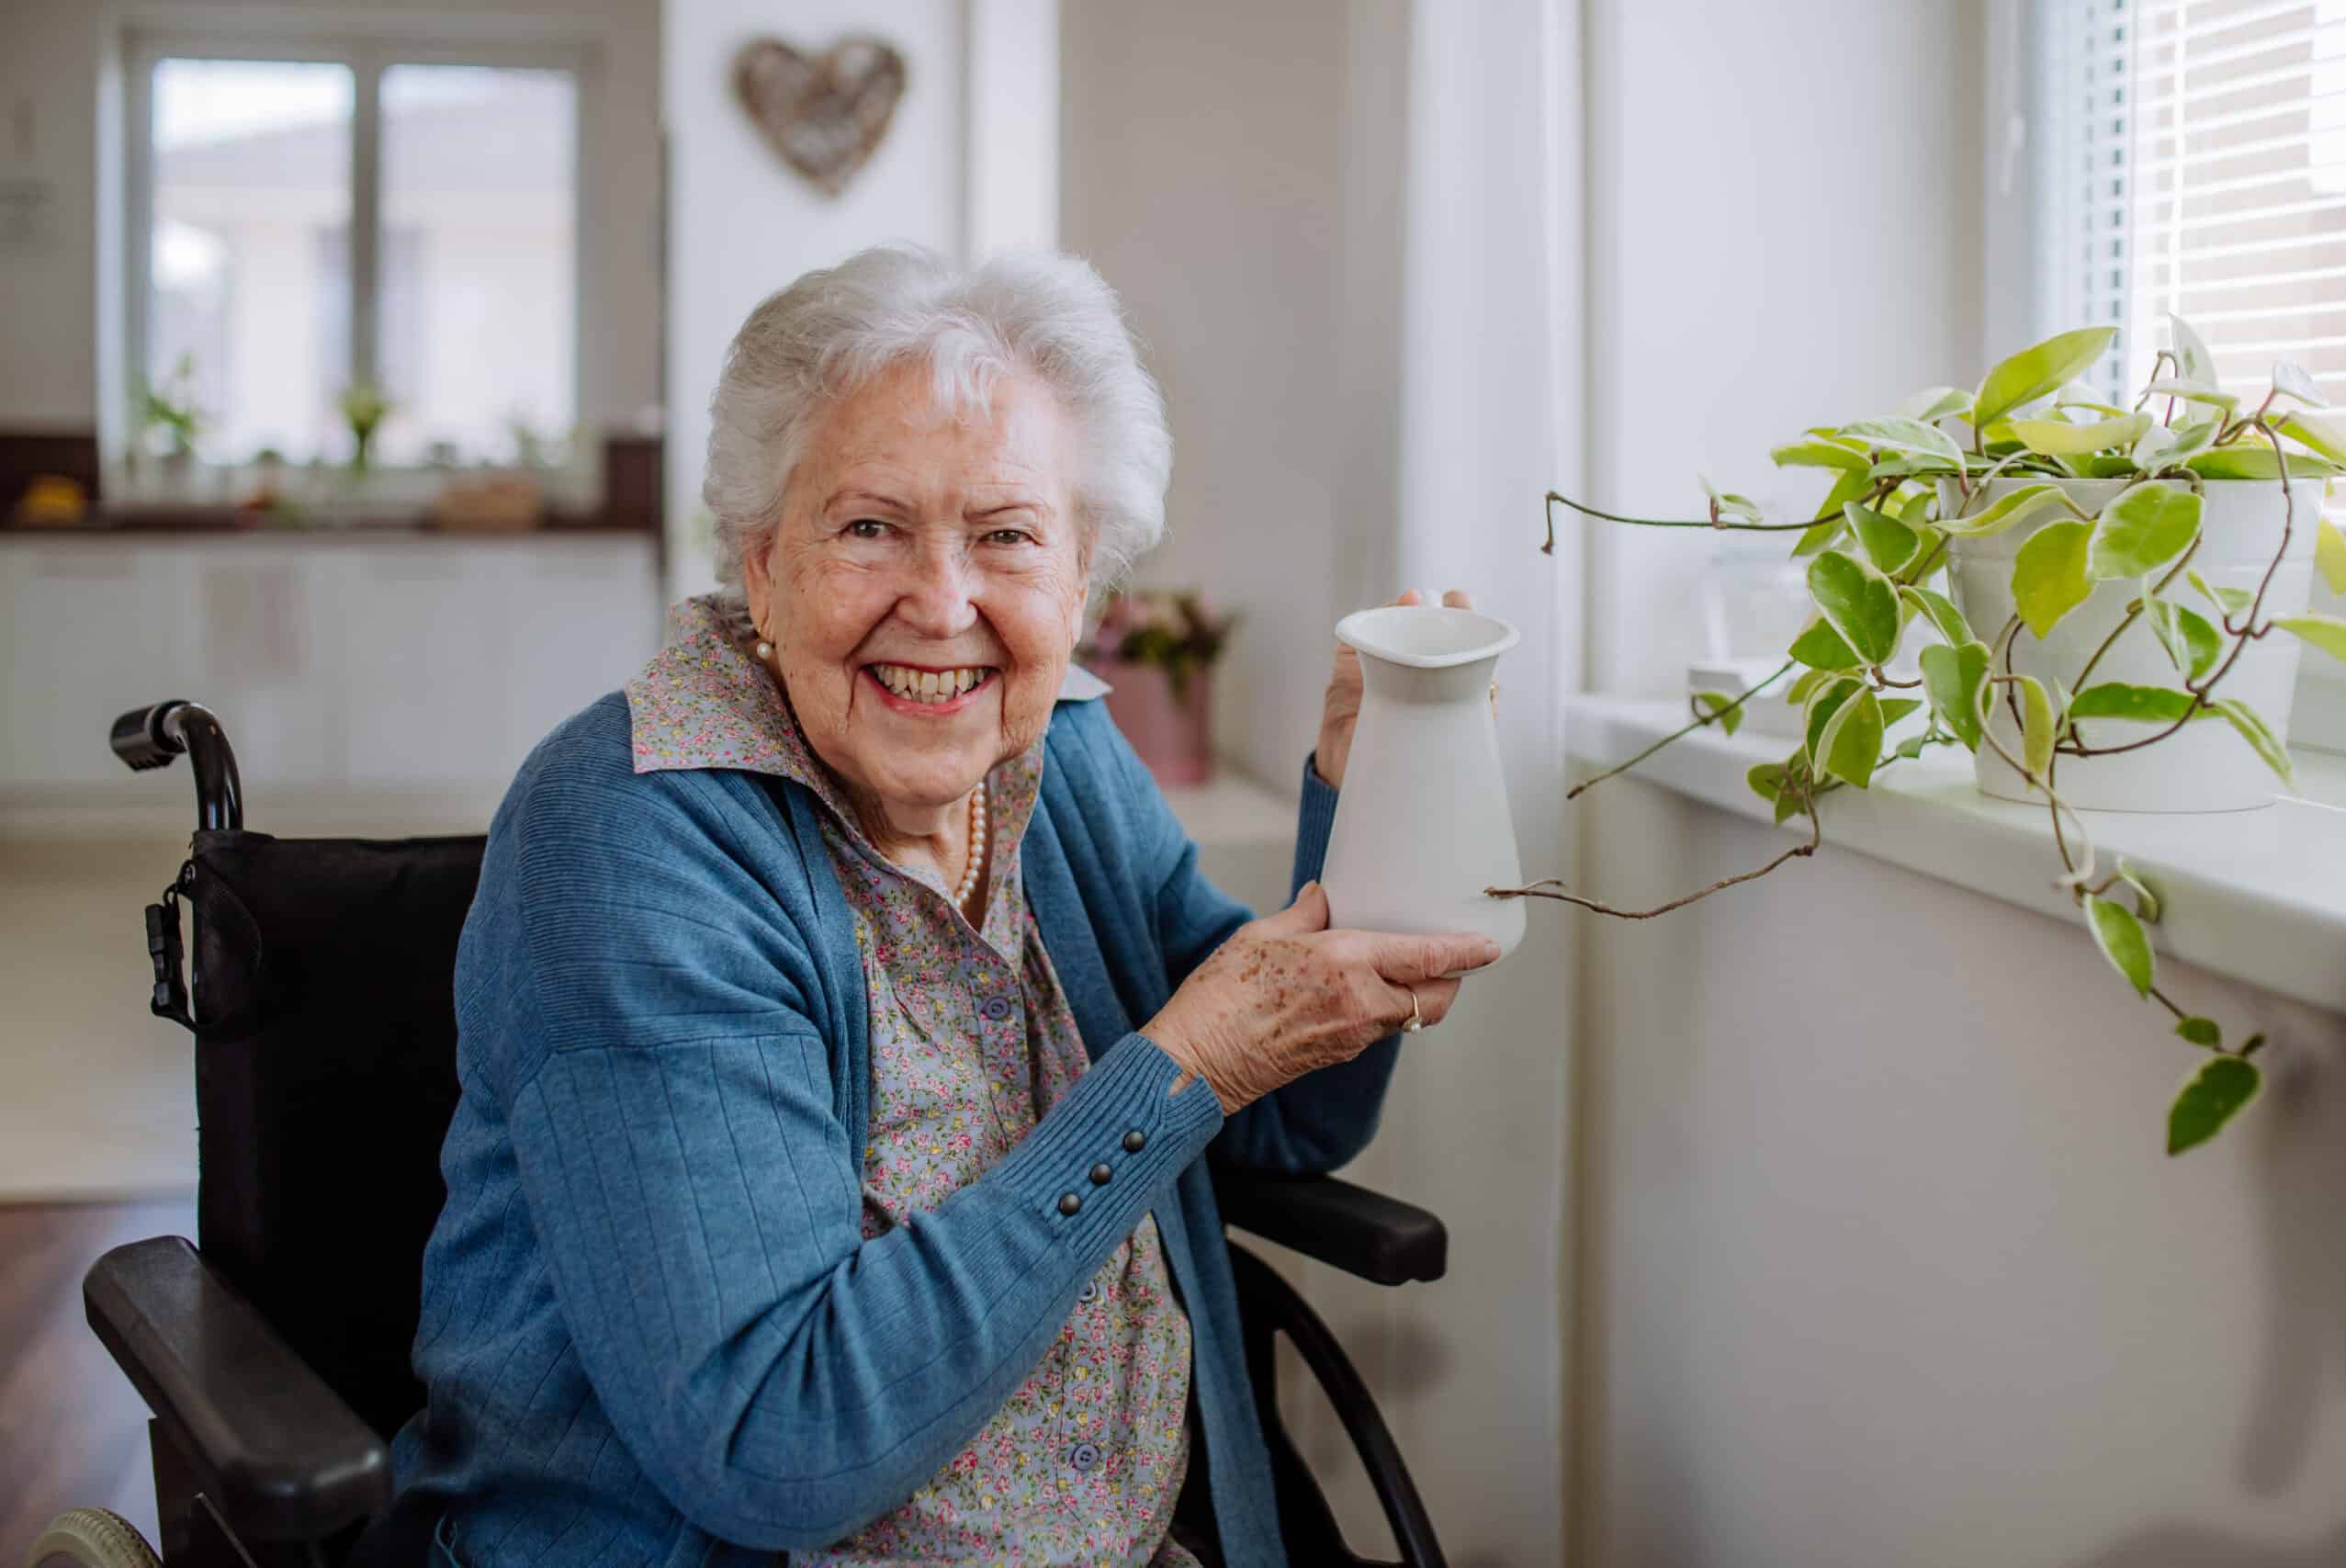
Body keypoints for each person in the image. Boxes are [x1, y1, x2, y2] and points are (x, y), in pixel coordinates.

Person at [357, 245, 1497, 1568]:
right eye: (870, 528)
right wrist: (1176, 1068)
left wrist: (1373, 813)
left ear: (1083, 583)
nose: (941, 604)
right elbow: (775, 1444)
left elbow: (1290, 1120)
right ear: (763, 561)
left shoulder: (1059, 753)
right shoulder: (634, 833)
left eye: (1008, 536)